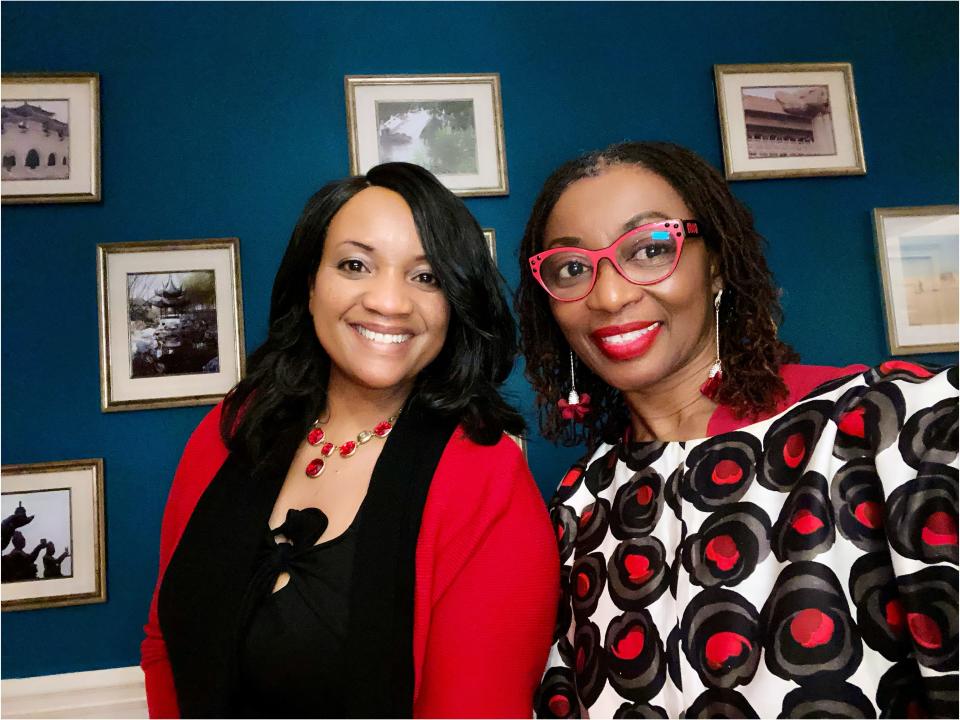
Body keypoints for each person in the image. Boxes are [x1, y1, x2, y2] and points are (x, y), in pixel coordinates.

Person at [516, 142, 958, 718]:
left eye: (651, 249)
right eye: (573, 267)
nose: (611, 294)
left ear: (717, 261)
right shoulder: (580, 506)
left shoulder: (889, 426)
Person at [141, 162, 559, 718]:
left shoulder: (488, 482)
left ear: (454, 305)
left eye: (426, 276)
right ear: (310, 285)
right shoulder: (234, 427)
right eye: (355, 264)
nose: (388, 302)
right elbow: (164, 641)